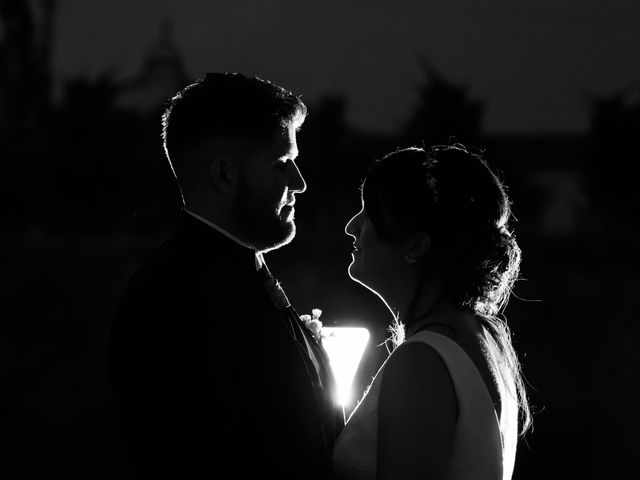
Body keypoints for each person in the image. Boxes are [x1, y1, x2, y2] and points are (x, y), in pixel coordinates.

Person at [108, 73, 344, 479]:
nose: (299, 184)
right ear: (224, 175)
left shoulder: (234, 271)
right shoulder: (168, 301)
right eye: (282, 164)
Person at [333, 144, 532, 480]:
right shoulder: (479, 335)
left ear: (416, 245)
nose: (352, 226)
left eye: (370, 214)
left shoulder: (422, 360)